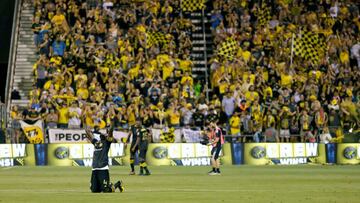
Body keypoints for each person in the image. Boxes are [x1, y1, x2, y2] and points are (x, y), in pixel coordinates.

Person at [85, 124, 124, 193]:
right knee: (94, 190)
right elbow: (90, 135)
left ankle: (118, 184)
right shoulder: (96, 143)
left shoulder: (107, 142)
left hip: (103, 168)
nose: (103, 134)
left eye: (106, 134)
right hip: (95, 168)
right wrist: (86, 128)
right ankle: (107, 185)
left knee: (106, 190)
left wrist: (112, 125)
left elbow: (110, 133)